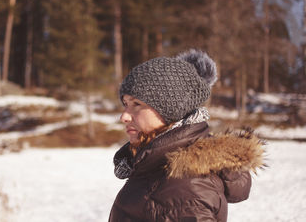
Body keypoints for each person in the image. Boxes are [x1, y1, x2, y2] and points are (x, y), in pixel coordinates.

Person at [109, 50, 265, 222]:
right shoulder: (159, 168)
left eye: (137, 104)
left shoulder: (185, 189)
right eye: (125, 104)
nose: (124, 116)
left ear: (171, 110)